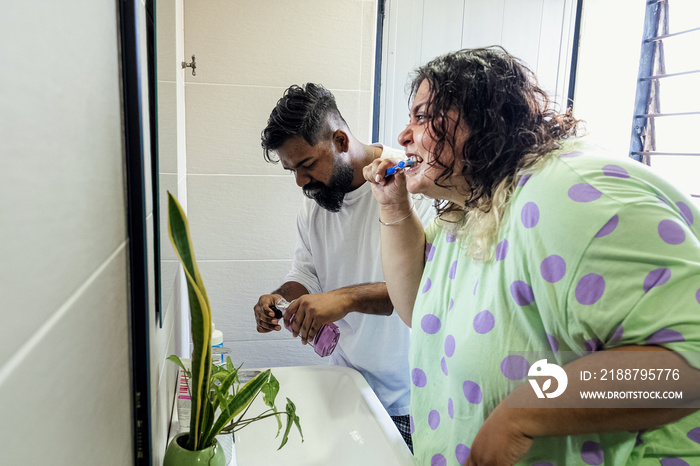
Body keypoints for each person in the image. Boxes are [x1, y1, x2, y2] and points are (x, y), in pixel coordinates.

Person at [363, 46, 700, 465]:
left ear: (486, 118)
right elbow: (417, 309)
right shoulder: (473, 209)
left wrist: (521, 415)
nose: (403, 135)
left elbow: (687, 368)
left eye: (422, 115)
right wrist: (392, 206)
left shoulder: (568, 194)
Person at [254, 82, 435, 451]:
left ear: (340, 140)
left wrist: (344, 299)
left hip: (411, 397)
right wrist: (279, 298)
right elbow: (304, 274)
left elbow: (422, 291)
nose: (301, 182)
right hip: (348, 382)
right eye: (292, 170)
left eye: (306, 165)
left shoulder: (410, 183)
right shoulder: (316, 202)